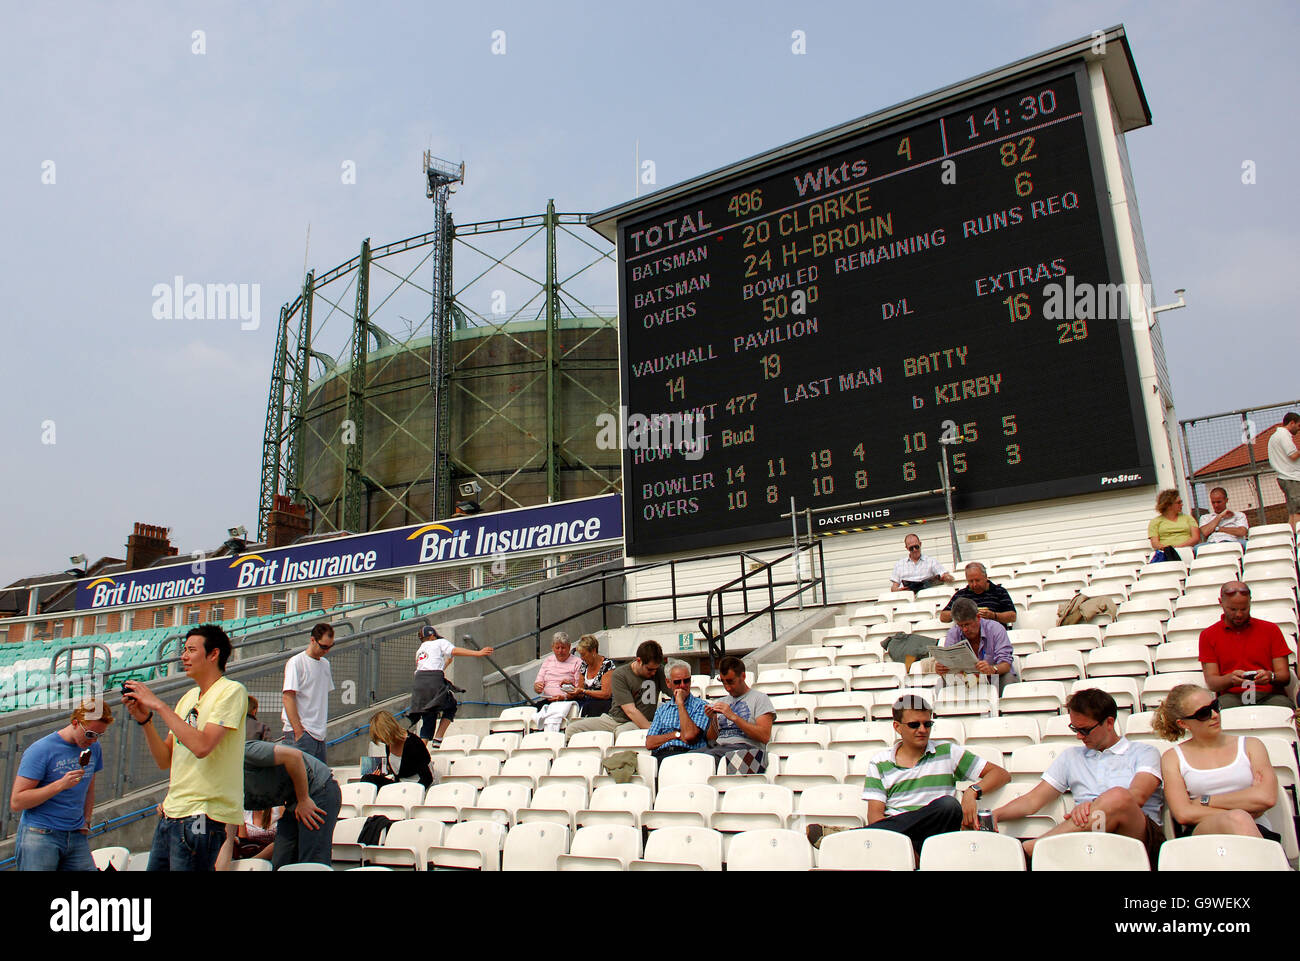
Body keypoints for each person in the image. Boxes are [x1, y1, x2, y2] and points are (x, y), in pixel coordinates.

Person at [805, 694, 1008, 853]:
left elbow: (1000, 774)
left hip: (940, 836)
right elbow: (876, 817)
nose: (922, 730)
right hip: (897, 842)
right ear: (897, 727)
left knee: (948, 805)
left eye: (927, 724)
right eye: (914, 725)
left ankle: (851, 837)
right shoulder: (880, 762)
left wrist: (972, 791)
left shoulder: (948, 752)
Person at [124, 624, 249, 871]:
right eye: (184, 650)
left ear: (213, 654)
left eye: (191, 650)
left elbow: (203, 746)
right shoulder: (188, 697)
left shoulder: (232, 691)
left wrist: (159, 706)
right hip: (171, 814)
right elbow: (165, 759)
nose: (184, 657)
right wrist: (146, 720)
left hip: (203, 816)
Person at [990, 688, 1164, 865]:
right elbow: (1033, 800)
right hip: (1089, 835)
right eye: (1075, 729)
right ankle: (1038, 849)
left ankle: (1033, 849)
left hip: (1136, 836)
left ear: (1109, 723)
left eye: (1085, 730)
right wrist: (995, 815)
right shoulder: (1071, 757)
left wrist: (1095, 805)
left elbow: (1137, 796)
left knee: (1118, 796)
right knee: (1106, 807)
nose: (1079, 736)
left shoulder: (1144, 753)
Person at [1153, 684, 1281, 842]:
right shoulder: (1173, 758)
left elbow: (1266, 797)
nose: (1214, 715)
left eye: (1215, 706)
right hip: (1204, 832)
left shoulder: (1252, 745)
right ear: (1183, 724)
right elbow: (1183, 813)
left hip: (1257, 829)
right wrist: (1245, 810)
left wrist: (1204, 801)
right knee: (1238, 818)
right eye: (1203, 713)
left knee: (1239, 819)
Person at [10, 698, 113, 871]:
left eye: (98, 736)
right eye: (90, 734)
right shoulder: (41, 750)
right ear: (75, 723)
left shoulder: (93, 748)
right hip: (41, 834)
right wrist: (59, 785)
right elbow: (17, 801)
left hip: (75, 832)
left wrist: (86, 820)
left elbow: (89, 788)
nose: (93, 740)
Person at [224, 740, 343, 868]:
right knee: (281, 859)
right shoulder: (222, 790)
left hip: (317, 789)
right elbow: (228, 840)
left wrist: (303, 799)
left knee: (312, 861)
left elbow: (293, 756)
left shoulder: (244, 752)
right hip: (292, 800)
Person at [1198, 581, 1292, 708]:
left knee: (1284, 708)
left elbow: (1284, 676)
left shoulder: (1271, 630)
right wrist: (1230, 679)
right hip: (1231, 696)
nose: (1239, 614)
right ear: (1221, 603)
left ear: (1250, 602)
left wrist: (1270, 676)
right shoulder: (1208, 635)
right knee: (1219, 711)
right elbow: (1212, 682)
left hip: (1269, 694)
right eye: (1232, 609)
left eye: (1244, 608)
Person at [409, 625, 494, 746]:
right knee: (451, 705)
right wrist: (477, 653)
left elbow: (429, 668)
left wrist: (446, 664)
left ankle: (420, 754)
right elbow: (454, 651)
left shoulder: (420, 650)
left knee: (428, 717)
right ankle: (438, 738)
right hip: (433, 680)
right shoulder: (439, 642)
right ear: (432, 635)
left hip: (419, 684)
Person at [564, 640, 667, 740]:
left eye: (656, 669)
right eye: (649, 669)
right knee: (572, 729)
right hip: (615, 719)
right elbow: (630, 710)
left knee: (623, 733)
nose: (653, 673)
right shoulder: (621, 674)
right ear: (639, 661)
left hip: (641, 721)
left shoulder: (660, 671)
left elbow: (675, 692)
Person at [701, 655, 775, 770]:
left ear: (743, 676)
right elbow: (712, 738)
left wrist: (733, 717)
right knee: (689, 757)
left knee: (707, 759)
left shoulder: (760, 698)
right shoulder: (721, 701)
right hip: (719, 747)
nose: (728, 688)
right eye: (724, 682)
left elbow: (764, 736)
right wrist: (712, 719)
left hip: (748, 750)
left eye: (731, 682)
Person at [931, 597, 1017, 692]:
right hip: (965, 679)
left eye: (967, 624)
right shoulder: (953, 633)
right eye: (960, 625)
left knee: (1008, 679)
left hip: (995, 677)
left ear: (978, 618)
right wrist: (942, 668)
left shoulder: (996, 629)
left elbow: (1006, 664)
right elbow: (949, 662)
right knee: (942, 683)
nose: (964, 629)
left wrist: (992, 669)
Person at [281, 622, 335, 763]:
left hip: (319, 735)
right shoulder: (296, 662)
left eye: (330, 646)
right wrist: (298, 732)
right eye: (323, 646)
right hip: (301, 733)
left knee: (319, 781)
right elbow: (288, 697)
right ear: (312, 640)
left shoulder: (325, 664)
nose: (326, 650)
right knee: (300, 781)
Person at [645, 662, 714, 760]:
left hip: (688, 755)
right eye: (677, 682)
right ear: (668, 683)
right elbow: (650, 742)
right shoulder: (662, 710)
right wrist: (676, 734)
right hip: (663, 754)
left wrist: (680, 704)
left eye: (686, 681)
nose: (682, 685)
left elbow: (690, 736)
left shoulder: (701, 706)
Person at [365, 710, 433, 788]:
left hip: (415, 786)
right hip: (399, 785)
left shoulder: (413, 743)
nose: (382, 741)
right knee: (368, 779)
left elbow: (427, 778)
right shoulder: (388, 745)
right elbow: (396, 771)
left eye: (382, 738)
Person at [531, 631, 583, 733]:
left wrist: (564, 696)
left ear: (569, 647)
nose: (560, 651)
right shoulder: (548, 661)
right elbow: (537, 686)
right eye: (557, 648)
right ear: (552, 648)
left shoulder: (577, 662)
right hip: (548, 700)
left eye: (563, 648)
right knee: (530, 713)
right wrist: (537, 687)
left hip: (566, 701)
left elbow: (579, 689)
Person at [938, 562, 1016, 625]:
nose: (974, 584)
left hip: (994, 636)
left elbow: (1012, 616)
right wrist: (961, 613)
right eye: (971, 581)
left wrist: (993, 615)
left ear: (986, 577)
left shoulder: (999, 591)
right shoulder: (961, 595)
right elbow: (943, 617)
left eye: (977, 580)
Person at [1266, 412, 1300, 530]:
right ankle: (1297, 538)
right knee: (1297, 512)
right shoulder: (1284, 436)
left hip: (1285, 477)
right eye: (1298, 426)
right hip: (1292, 478)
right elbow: (1293, 455)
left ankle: (1291, 538)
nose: (1298, 429)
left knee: (1292, 512)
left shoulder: (1275, 436)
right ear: (1292, 423)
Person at [1147, 488, 1200, 560]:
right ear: (1168, 505)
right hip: (1166, 553)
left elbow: (1195, 538)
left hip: (1187, 550)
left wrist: (1178, 547)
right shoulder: (1155, 522)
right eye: (1178, 502)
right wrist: (1168, 549)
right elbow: (1155, 543)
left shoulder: (1188, 518)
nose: (1182, 504)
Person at [890, 534, 955, 593]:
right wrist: (899, 590)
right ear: (907, 548)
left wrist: (945, 577)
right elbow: (894, 588)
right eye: (911, 548)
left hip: (928, 595)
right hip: (907, 596)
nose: (914, 550)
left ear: (920, 544)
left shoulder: (931, 561)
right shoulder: (899, 565)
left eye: (916, 546)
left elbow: (947, 576)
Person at [573, 634, 615, 717]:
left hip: (603, 704)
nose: (582, 658)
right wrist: (570, 687)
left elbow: (606, 694)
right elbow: (580, 692)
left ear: (593, 651)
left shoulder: (607, 665)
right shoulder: (584, 666)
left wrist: (585, 691)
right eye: (580, 655)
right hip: (586, 702)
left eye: (584, 654)